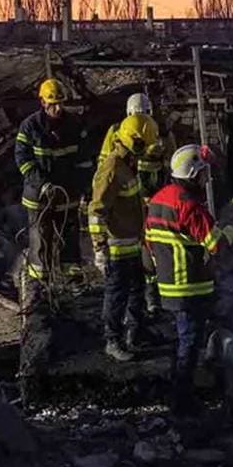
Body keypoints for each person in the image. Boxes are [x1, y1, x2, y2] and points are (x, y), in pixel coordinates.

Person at [144, 144, 233, 405]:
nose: (206, 179)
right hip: (190, 285)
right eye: (204, 173)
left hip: (167, 284)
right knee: (190, 343)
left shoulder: (158, 200)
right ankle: (182, 400)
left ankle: (180, 388)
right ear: (193, 174)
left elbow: (148, 242)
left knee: (181, 339)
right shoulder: (189, 206)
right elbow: (217, 245)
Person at [88, 113, 155, 360]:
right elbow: (96, 211)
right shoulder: (113, 168)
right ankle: (112, 340)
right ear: (133, 142)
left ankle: (136, 334)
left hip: (132, 243)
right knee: (116, 295)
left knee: (137, 290)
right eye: (143, 145)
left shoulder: (128, 164)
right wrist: (99, 248)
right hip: (116, 248)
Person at [13, 77, 83, 291]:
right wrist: (41, 184)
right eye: (53, 103)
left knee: (69, 237)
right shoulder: (30, 126)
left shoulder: (73, 124)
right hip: (38, 196)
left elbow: (83, 159)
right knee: (40, 238)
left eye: (61, 103)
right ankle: (39, 283)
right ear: (43, 102)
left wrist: (82, 188)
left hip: (66, 194)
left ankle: (73, 280)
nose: (58, 108)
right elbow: (23, 159)